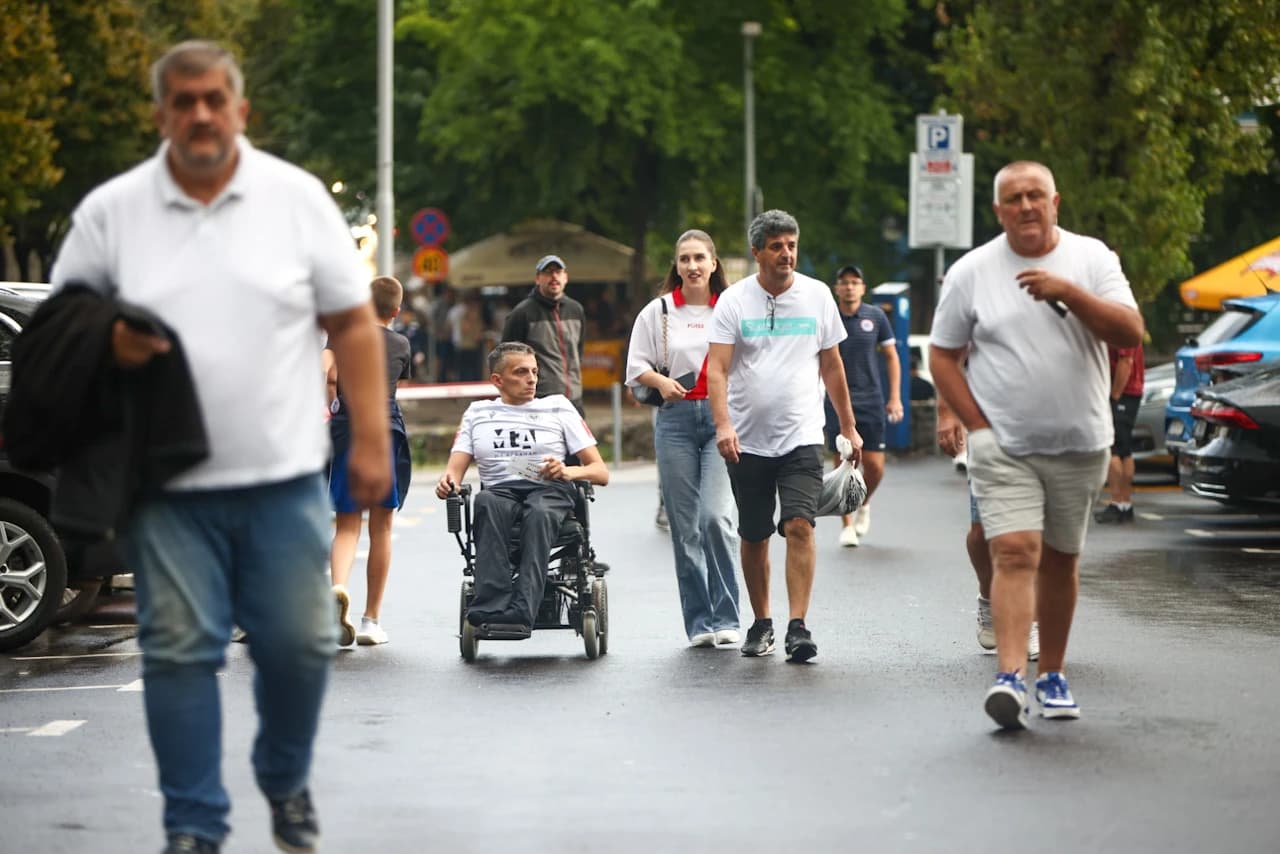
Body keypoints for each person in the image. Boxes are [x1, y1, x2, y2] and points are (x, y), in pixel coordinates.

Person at [48, 41, 391, 853]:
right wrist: (107, 342)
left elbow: (352, 323)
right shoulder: (112, 212)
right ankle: (193, 825)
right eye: (183, 101)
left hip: (284, 479)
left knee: (300, 645)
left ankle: (283, 775)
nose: (200, 113)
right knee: (178, 654)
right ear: (161, 114)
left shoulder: (295, 200)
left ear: (240, 110)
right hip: (166, 488)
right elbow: (62, 326)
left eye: (213, 99)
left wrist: (372, 440)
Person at [930, 160, 1143, 730]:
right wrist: (976, 425)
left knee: (1061, 559)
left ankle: (1051, 674)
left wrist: (1068, 292)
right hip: (1004, 444)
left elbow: (1130, 331)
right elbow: (942, 355)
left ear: (1055, 202)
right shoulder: (972, 271)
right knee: (1015, 551)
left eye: (1035, 196)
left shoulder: (1092, 259)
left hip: (1080, 441)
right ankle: (1008, 676)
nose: (1026, 206)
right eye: (1014, 198)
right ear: (998, 211)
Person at [707, 210, 862, 663]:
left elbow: (832, 364)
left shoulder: (817, 296)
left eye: (791, 245)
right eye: (776, 246)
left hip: (802, 436)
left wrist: (848, 425)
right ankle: (762, 622)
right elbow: (716, 369)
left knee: (799, 524)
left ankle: (798, 626)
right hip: (746, 441)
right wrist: (723, 425)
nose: (786, 253)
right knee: (754, 534)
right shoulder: (734, 300)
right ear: (757, 252)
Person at [435, 342, 609, 628]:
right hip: (500, 490)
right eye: (521, 372)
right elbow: (453, 472)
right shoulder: (478, 413)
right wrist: (447, 484)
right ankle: (490, 606)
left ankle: (522, 610)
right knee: (485, 502)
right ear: (497, 380)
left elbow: (600, 472)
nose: (531, 379)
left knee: (538, 514)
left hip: (549, 489)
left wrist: (566, 471)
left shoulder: (558, 406)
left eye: (534, 372)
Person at [627, 229, 741, 648]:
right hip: (674, 420)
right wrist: (662, 382)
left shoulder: (731, 307)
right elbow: (635, 367)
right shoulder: (657, 311)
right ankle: (700, 622)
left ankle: (727, 616)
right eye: (684, 259)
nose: (692, 266)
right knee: (684, 526)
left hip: (721, 419)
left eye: (699, 258)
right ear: (676, 266)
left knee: (715, 517)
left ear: (713, 264)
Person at [327, 276, 414, 647]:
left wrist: (332, 400)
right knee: (381, 527)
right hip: (384, 431)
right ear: (396, 311)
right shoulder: (401, 344)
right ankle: (370, 620)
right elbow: (397, 388)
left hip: (348, 430)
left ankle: (338, 588)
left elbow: (329, 372)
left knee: (347, 525)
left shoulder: (344, 335)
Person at [936, 394, 1040, 661]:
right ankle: (987, 595)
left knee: (1037, 532)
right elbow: (951, 366)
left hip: (1042, 427)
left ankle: (1033, 620)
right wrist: (947, 412)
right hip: (987, 428)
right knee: (982, 533)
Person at [825, 264, 903, 547]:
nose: (849, 287)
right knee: (843, 463)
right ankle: (846, 524)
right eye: (844, 282)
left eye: (854, 282)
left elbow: (892, 356)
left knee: (875, 466)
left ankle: (864, 502)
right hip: (837, 400)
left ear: (862, 288)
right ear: (837, 288)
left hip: (871, 399)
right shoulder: (829, 316)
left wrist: (895, 397)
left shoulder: (875, 316)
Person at [501, 254, 586, 413]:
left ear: (566, 277)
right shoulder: (522, 313)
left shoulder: (576, 310)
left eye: (558, 272)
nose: (554, 276)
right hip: (539, 402)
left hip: (574, 401)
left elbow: (578, 353)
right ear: (537, 278)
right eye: (547, 272)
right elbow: (507, 360)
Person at [1094, 343, 1145, 523]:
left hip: (1123, 391)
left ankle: (1117, 502)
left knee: (1114, 449)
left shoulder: (1124, 329)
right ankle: (1124, 503)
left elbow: (1126, 361)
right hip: (1128, 392)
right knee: (1125, 449)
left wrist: (1114, 396)